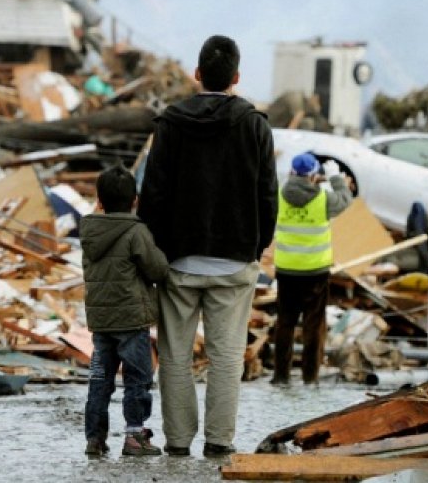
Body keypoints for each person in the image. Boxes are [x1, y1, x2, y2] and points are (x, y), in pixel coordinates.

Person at [138, 34, 278, 457]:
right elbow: (267, 193)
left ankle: (177, 441)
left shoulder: (170, 125)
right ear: (236, 77)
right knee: (227, 357)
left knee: (176, 357)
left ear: (197, 75)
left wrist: (155, 251)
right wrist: (258, 244)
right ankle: (219, 441)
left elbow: (153, 195)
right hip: (235, 262)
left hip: (179, 261)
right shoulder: (255, 125)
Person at [81, 165, 169, 457]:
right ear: (135, 200)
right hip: (131, 320)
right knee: (137, 379)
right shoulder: (136, 231)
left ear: (100, 200)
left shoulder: (89, 231)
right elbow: (157, 270)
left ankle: (94, 438)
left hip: (101, 321)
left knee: (99, 380)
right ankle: (134, 436)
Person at [271, 153, 353, 385]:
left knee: (285, 323)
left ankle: (281, 376)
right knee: (313, 326)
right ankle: (310, 377)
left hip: (286, 270)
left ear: (292, 173)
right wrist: (336, 178)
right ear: (314, 175)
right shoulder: (323, 199)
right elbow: (345, 199)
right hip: (315, 272)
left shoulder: (279, 196)